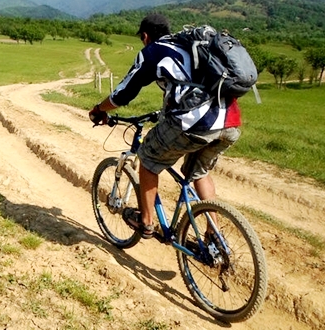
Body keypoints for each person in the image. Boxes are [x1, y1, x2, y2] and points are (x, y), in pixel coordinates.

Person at [89, 13, 242, 239]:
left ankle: (146, 222)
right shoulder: (190, 46)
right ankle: (214, 234)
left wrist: (99, 109)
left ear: (145, 36)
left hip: (195, 122)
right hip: (230, 121)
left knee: (148, 160)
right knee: (198, 171)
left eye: (142, 38)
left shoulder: (154, 50)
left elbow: (125, 92)